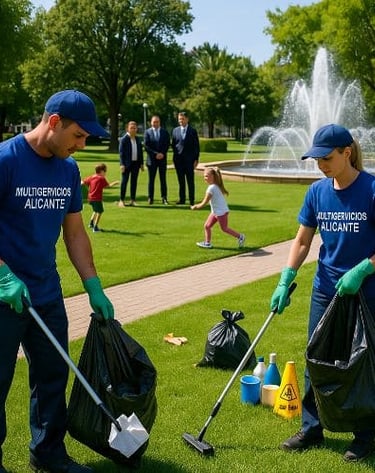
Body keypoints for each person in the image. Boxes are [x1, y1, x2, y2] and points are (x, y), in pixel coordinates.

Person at [0, 89, 115, 473]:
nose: (82, 145)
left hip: (46, 294)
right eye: (79, 136)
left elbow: (76, 233)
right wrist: (3, 276)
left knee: (52, 375)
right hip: (4, 294)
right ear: (53, 123)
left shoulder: (67, 170)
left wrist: (93, 286)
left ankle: (48, 452)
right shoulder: (5, 160)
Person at [270, 124, 375, 462]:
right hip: (326, 288)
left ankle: (365, 436)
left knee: (362, 363)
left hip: (365, 291)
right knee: (316, 357)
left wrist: (363, 269)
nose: (321, 165)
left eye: (327, 158)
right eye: (317, 159)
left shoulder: (371, 189)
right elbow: (303, 240)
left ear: (347, 152)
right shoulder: (316, 192)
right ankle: (311, 428)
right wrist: (285, 278)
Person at [191, 167, 245, 249]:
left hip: (221, 212)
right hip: (216, 212)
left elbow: (204, 203)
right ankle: (207, 243)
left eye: (206, 176)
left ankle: (240, 237)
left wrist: (195, 207)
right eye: (204, 176)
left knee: (224, 228)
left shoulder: (211, 188)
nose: (204, 178)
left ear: (212, 176)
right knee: (207, 226)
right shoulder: (216, 186)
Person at [171, 111, 200, 206]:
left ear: (187, 119)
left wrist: (196, 159)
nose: (181, 121)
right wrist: (174, 159)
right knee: (181, 181)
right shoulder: (175, 131)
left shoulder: (192, 131)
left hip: (189, 161)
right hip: (179, 161)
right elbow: (174, 146)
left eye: (182, 119)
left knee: (190, 181)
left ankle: (192, 200)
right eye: (179, 119)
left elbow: (196, 146)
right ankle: (182, 199)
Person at [81, 163, 119, 232]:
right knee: (100, 211)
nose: (105, 173)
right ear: (101, 171)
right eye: (105, 171)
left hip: (90, 198)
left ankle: (91, 223)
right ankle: (95, 227)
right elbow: (108, 186)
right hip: (97, 199)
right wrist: (115, 183)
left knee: (95, 210)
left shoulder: (92, 177)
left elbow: (82, 182)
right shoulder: (101, 178)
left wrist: (88, 189)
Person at [144, 115, 170, 205]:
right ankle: (150, 198)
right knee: (151, 180)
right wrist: (156, 154)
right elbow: (146, 146)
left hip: (162, 159)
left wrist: (162, 153)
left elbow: (167, 144)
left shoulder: (165, 132)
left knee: (163, 179)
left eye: (157, 122)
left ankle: (164, 198)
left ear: (160, 122)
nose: (156, 123)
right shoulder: (147, 132)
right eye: (154, 122)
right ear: (151, 122)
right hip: (151, 160)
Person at [118, 121, 144, 207]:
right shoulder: (123, 139)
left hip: (135, 164)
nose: (133, 129)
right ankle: (121, 200)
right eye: (131, 128)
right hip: (126, 164)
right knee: (124, 182)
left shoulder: (137, 139)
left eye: (135, 128)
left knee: (134, 182)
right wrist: (122, 164)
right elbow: (121, 153)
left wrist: (141, 164)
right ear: (127, 129)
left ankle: (133, 200)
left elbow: (140, 152)